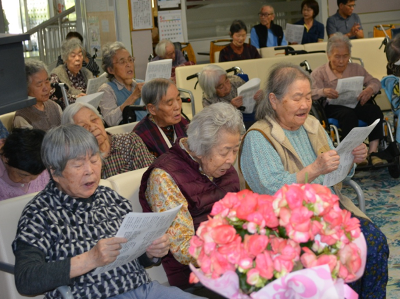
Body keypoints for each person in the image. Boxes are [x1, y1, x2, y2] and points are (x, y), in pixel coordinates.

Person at [240, 62, 388, 299]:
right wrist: (315, 169)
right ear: (274, 100)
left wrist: (349, 159)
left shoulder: (310, 124)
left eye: (308, 97)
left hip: (329, 209)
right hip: (289, 224)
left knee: (375, 243)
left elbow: (335, 173)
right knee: (338, 257)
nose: (305, 105)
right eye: (297, 98)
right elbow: (271, 191)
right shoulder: (258, 138)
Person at [12, 124, 204, 299]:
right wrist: (89, 259)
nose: (90, 171)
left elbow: (135, 259)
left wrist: (151, 252)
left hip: (144, 290)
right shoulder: (39, 213)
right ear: (54, 172)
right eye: (78, 165)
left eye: (94, 159)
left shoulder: (110, 198)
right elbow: (26, 280)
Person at [139, 102, 242, 295]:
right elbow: (185, 249)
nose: (230, 159)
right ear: (200, 149)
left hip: (234, 261)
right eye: (225, 151)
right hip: (197, 277)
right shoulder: (165, 176)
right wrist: (238, 242)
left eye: (235, 150)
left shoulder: (221, 165)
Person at [311, 33, 384, 166]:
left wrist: (369, 90)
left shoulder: (356, 68)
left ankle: (373, 153)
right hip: (333, 107)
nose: (341, 61)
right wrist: (323, 91)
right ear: (328, 55)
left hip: (355, 102)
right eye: (337, 56)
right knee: (348, 115)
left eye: (345, 56)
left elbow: (375, 82)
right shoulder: (319, 73)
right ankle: (352, 155)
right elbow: (309, 93)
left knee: (374, 111)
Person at [61, 102, 154, 179]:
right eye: (83, 126)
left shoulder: (130, 141)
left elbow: (151, 177)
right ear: (73, 136)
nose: (93, 127)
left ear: (102, 121)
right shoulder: (78, 163)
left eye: (94, 120)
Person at [133, 78, 189, 158]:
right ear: (152, 109)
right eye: (170, 103)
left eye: (178, 99)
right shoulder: (140, 138)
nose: (178, 106)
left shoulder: (183, 122)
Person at [98, 41, 146, 127]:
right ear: (110, 70)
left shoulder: (140, 83)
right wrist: (133, 97)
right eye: (122, 62)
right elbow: (110, 120)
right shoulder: (106, 90)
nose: (129, 65)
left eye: (130, 60)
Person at [199, 64, 261, 129]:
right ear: (211, 89)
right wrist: (230, 107)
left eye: (227, 81)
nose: (227, 87)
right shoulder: (208, 99)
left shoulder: (236, 81)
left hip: (249, 120)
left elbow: (253, 104)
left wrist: (260, 98)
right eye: (221, 86)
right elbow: (214, 125)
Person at [0, 128, 49, 201]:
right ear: (6, 158)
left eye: (34, 177)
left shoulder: (45, 163)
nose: (27, 180)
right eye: (22, 175)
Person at [14, 60, 62, 131]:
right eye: (39, 85)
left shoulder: (55, 106)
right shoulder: (22, 117)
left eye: (47, 82)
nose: (46, 88)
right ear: (26, 88)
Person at [50, 38, 94, 108]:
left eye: (80, 55)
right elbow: (53, 99)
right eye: (73, 56)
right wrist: (75, 99)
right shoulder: (57, 74)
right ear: (65, 59)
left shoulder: (87, 73)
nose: (77, 59)